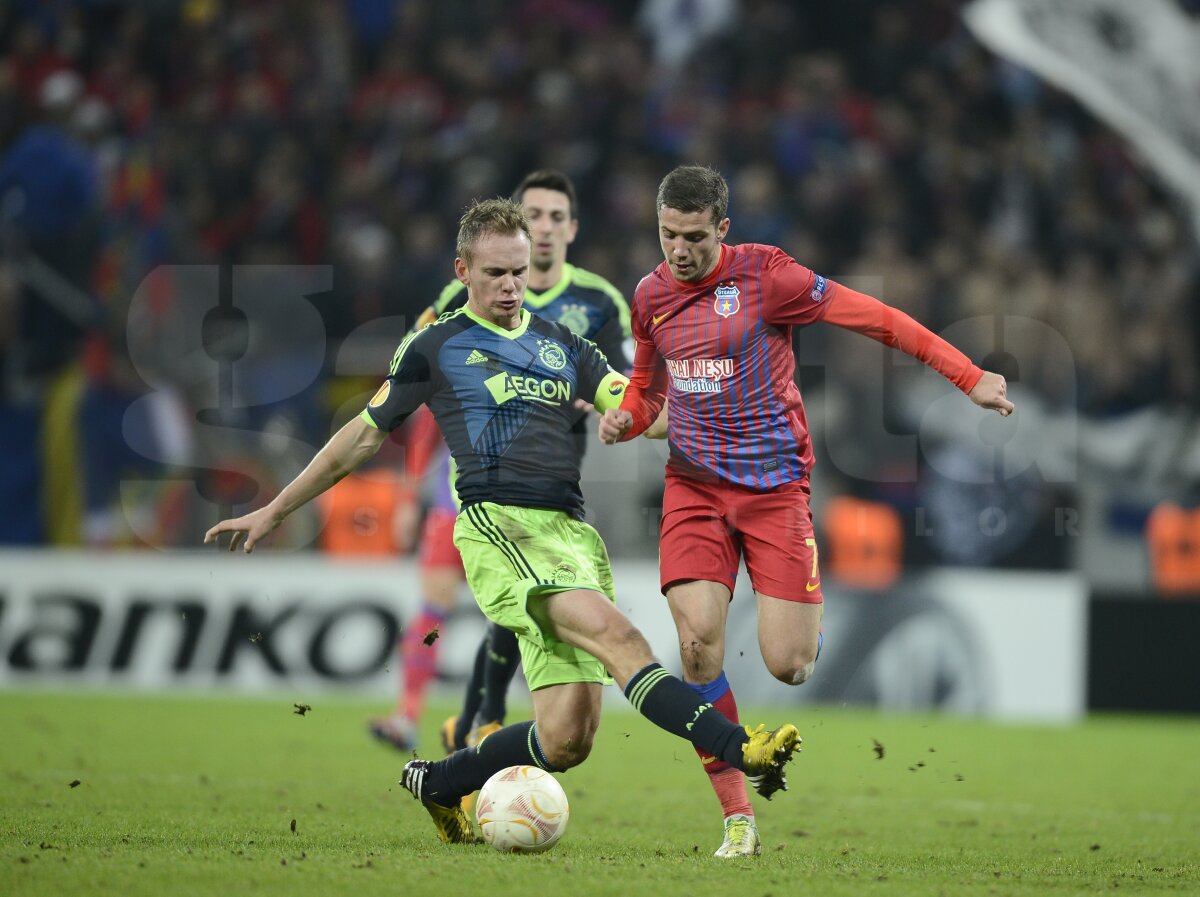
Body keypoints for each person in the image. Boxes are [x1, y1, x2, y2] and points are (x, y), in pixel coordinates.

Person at [205, 197, 801, 845]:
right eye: (495, 273)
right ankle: (745, 747)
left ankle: (438, 780)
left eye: (519, 272)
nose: (512, 285)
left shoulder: (561, 343)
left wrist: (723, 410)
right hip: (500, 529)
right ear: (463, 270)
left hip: (571, 536)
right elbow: (361, 438)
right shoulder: (435, 345)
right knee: (622, 640)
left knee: (567, 738)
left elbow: (645, 411)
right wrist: (276, 506)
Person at [599, 165, 1015, 858]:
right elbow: (647, 390)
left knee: (789, 664)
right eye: (668, 234)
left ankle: (803, 620)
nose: (678, 250)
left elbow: (877, 319)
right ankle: (737, 816)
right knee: (697, 642)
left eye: (694, 236)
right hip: (694, 488)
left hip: (774, 492)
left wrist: (967, 376)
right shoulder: (649, 296)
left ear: (722, 229)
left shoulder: (770, 278)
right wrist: (626, 416)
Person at [366, 169, 642, 755]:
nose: (542, 228)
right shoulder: (458, 303)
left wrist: (608, 407)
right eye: (532, 215)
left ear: (572, 228)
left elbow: (626, 387)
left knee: (523, 610)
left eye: (554, 217)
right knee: (438, 605)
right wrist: (417, 488)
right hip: (466, 487)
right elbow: (410, 387)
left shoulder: (596, 304)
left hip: (552, 487)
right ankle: (413, 714)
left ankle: (475, 724)